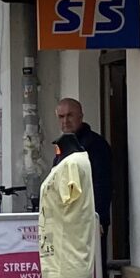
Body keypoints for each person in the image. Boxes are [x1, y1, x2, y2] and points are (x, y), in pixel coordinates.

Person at [54, 97, 113, 238]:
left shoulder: (96, 145)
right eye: (61, 116)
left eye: (70, 115)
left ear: (80, 116)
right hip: (66, 220)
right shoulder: (63, 145)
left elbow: (103, 183)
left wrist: (97, 217)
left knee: (93, 259)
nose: (65, 121)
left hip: (88, 220)